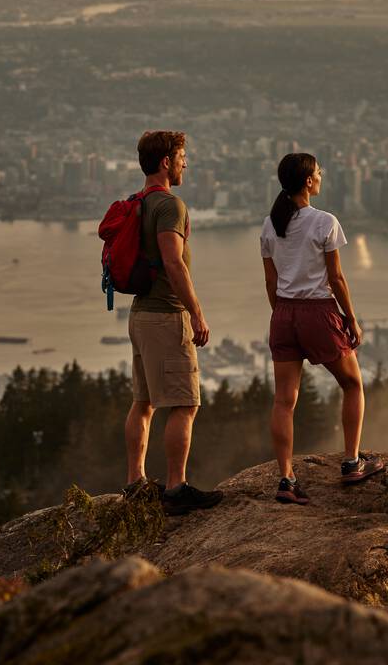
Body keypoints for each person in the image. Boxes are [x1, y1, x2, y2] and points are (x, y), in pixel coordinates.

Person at [260, 153, 384, 505]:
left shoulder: (270, 224)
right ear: (308, 182)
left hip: (283, 314)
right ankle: (351, 462)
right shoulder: (325, 221)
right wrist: (351, 317)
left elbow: (270, 281)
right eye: (318, 172)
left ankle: (286, 479)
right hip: (319, 313)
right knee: (353, 384)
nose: (321, 176)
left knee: (284, 400)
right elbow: (337, 278)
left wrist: (283, 315)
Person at [123, 130, 223, 516]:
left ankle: (135, 482)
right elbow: (173, 261)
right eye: (182, 157)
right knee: (184, 403)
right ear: (166, 162)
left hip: (140, 315)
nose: (186, 163)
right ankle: (176, 488)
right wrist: (196, 312)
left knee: (143, 402)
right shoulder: (170, 205)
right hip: (166, 316)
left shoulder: (138, 203)